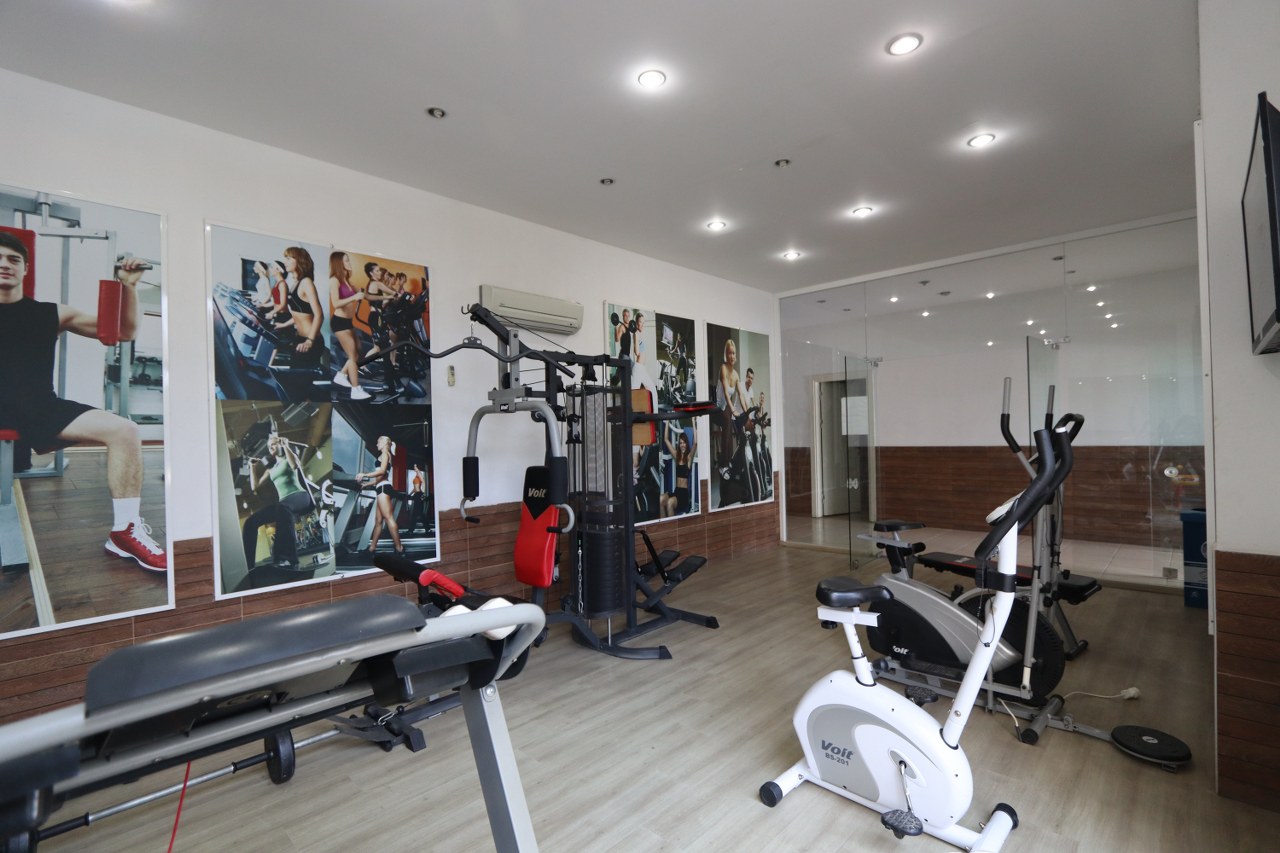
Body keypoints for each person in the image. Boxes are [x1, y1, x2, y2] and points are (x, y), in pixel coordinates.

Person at [0, 230, 167, 571]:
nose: (5, 264)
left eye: (13, 259)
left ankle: (125, 532)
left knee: (125, 430)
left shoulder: (52, 314)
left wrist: (129, 287)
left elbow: (122, 332)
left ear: (26, 268)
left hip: (40, 409)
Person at [241, 429, 315, 571]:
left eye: (274, 444)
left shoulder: (288, 459)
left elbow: (295, 465)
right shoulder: (270, 469)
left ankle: (288, 559)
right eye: (269, 446)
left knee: (283, 507)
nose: (271, 447)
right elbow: (254, 486)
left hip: (300, 496)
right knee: (251, 521)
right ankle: (248, 565)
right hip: (284, 504)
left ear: (280, 443)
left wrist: (286, 445)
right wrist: (252, 467)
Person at [328, 251, 371, 400]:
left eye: (349, 260)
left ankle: (341, 375)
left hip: (348, 322)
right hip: (339, 323)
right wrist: (354, 297)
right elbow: (336, 303)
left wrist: (388, 297)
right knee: (352, 356)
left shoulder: (347, 281)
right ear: (339, 263)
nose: (349, 263)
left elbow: (366, 296)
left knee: (357, 351)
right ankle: (355, 390)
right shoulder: (334, 280)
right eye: (346, 261)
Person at [356, 435, 402, 555]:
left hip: (383, 489)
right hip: (380, 487)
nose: (377, 444)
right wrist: (367, 484)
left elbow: (382, 471)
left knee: (389, 518)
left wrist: (364, 474)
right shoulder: (385, 455)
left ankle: (399, 548)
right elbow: (380, 477)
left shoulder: (385, 454)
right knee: (378, 520)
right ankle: (372, 548)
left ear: (384, 443)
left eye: (378, 442)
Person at [273, 247, 323, 357]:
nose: (285, 262)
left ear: (299, 261)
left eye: (288, 258)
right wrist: (283, 325)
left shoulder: (306, 282)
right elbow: (299, 315)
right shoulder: (295, 284)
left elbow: (319, 315)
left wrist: (309, 341)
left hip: (310, 341)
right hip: (300, 338)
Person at [714, 337, 748, 480]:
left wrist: (747, 412)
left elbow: (741, 394)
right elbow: (727, 395)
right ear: (726, 354)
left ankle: (732, 461)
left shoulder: (736, 374)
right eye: (729, 353)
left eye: (734, 353)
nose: (732, 356)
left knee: (735, 423)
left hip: (727, 409)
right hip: (717, 408)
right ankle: (723, 465)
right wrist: (733, 409)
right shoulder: (723, 368)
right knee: (728, 420)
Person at [660, 423, 697, 518]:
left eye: (684, 443)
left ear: (686, 444)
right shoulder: (677, 456)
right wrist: (667, 423)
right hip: (676, 492)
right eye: (680, 443)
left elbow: (695, 443)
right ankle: (664, 524)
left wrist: (693, 422)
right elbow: (666, 439)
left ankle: (671, 526)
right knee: (661, 499)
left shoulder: (689, 458)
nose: (682, 445)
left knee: (669, 503)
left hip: (684, 496)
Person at [407, 463, 430, 533]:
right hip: (416, 494)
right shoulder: (416, 475)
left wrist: (424, 494)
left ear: (418, 467)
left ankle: (411, 530)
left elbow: (423, 482)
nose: (414, 467)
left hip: (419, 495)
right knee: (419, 513)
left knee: (416, 513)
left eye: (415, 466)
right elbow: (415, 488)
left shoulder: (419, 473)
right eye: (414, 466)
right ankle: (427, 528)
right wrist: (409, 494)